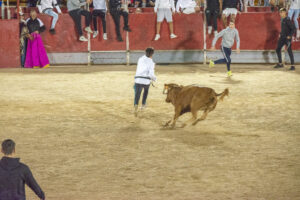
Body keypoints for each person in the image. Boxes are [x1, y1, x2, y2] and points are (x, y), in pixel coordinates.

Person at [134, 47, 156, 116]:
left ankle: (136, 104)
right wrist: (154, 79)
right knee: (145, 92)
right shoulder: (151, 62)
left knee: (137, 94)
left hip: (138, 79)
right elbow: (151, 74)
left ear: (145, 52)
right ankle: (143, 104)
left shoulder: (140, 59)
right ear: (152, 54)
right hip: (146, 81)